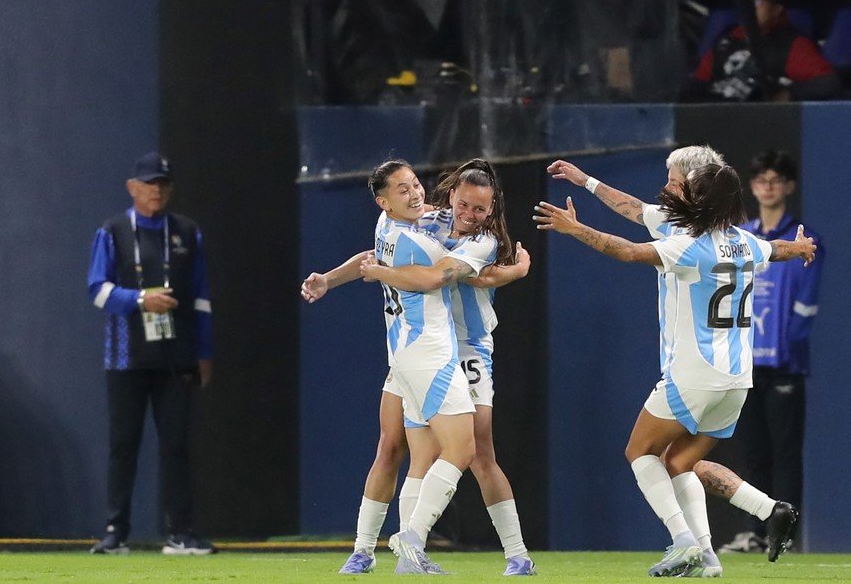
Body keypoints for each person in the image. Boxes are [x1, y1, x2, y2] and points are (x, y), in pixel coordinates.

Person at [534, 161, 815, 578]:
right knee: (680, 462)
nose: (673, 189)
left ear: (699, 199)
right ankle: (711, 556)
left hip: (694, 373)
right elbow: (779, 250)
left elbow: (627, 251)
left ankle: (682, 541)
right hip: (738, 380)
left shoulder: (689, 246)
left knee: (638, 451)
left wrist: (577, 230)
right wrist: (803, 249)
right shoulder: (746, 243)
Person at [300, 159, 534, 575]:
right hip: (422, 347)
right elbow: (375, 257)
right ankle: (373, 550)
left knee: (478, 453)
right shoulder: (427, 220)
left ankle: (515, 553)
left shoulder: (482, 242)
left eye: (481, 209)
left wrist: (515, 270)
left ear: (493, 209)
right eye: (464, 204)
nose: (469, 214)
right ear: (452, 197)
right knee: (398, 448)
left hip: (466, 349)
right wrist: (333, 279)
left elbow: (459, 277)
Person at [86, 152, 214, 556]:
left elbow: (201, 299)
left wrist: (204, 353)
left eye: (162, 183)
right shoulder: (112, 231)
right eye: (148, 183)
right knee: (123, 443)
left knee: (176, 444)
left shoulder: (187, 232)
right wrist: (141, 299)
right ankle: (114, 531)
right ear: (132, 188)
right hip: (126, 359)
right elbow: (97, 290)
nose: (155, 190)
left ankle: (181, 533)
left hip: (176, 358)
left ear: (170, 188)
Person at [716, 149, 823, 556]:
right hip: (746, 364)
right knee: (753, 453)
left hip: (785, 366)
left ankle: (787, 535)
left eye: (776, 179)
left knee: (785, 452)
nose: (768, 186)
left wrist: (789, 343)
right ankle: (753, 532)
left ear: (789, 186)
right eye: (761, 179)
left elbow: (806, 302)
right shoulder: (743, 235)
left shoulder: (803, 236)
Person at [689, 0, 840, 102]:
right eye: (744, 1)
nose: (747, 8)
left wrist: (787, 95)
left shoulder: (791, 44)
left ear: (776, 8)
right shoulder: (728, 39)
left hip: (759, 127)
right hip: (714, 123)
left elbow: (827, 83)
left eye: (756, 2)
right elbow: (697, 83)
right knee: (681, 139)